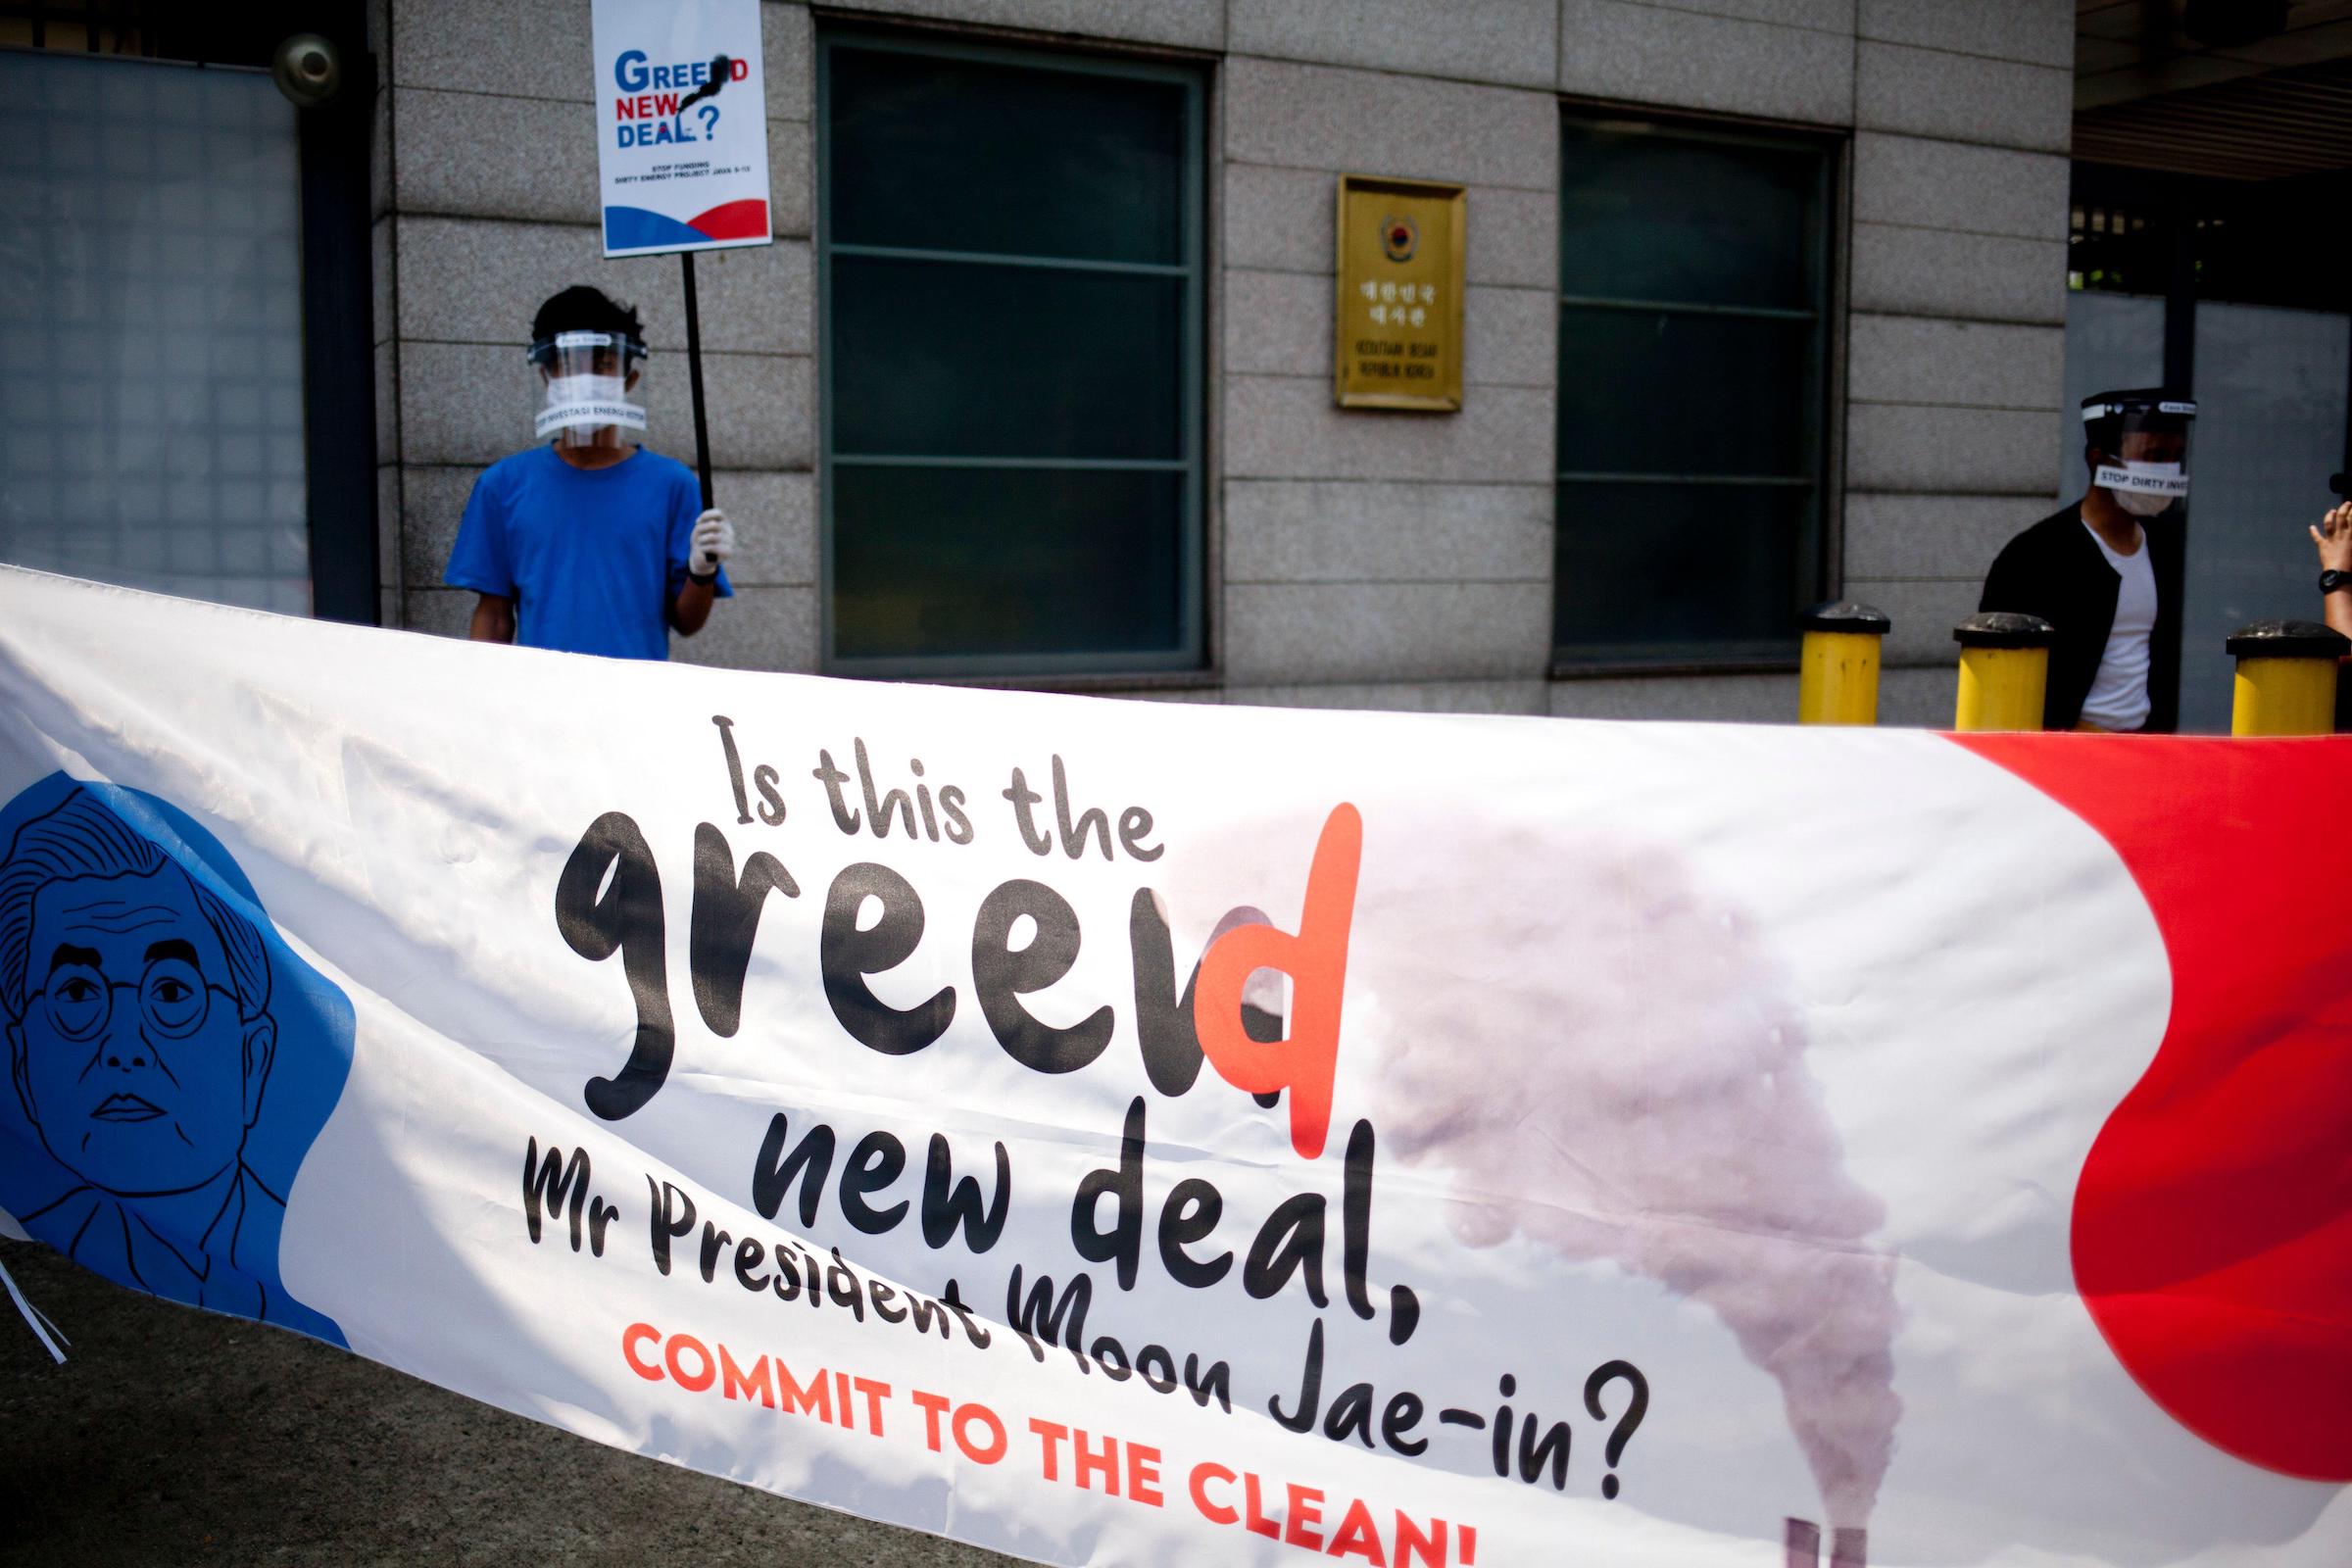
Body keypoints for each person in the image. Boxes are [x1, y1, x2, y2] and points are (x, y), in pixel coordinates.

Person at [0, 780, 345, 1341]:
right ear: (18, 1059)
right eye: (79, 995)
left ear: (254, 1058)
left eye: (171, 994)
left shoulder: (340, 1264)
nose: (124, 1047)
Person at [445, 285, 737, 660]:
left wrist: (702, 571)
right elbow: (495, 618)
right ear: (546, 376)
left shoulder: (671, 484)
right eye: (569, 365)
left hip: (634, 698)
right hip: (540, 699)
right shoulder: (502, 485)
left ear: (629, 379)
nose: (585, 379)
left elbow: (687, 622)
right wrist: (479, 699)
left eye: (603, 365)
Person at [1979, 389, 2196, 732]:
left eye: (2175, 456)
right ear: (2099, 460)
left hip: (2144, 750)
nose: (2166, 470)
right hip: (2067, 752)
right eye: (2153, 456)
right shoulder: (2036, 555)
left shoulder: (2162, 547)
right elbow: (1996, 674)